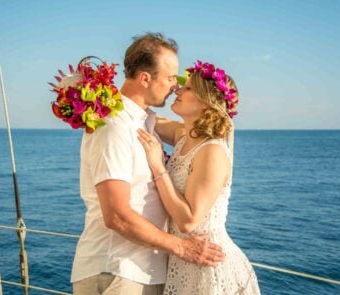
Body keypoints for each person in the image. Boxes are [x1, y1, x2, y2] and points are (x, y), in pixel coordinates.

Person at [71, 34, 224, 295]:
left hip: (141, 271)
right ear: (145, 78)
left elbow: (195, 135)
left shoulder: (144, 123)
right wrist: (182, 247)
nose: (175, 87)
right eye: (170, 78)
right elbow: (116, 215)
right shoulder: (115, 127)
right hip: (117, 271)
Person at [138, 61, 261, 294]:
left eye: (188, 88)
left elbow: (188, 221)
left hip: (208, 263)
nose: (177, 90)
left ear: (207, 102)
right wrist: (98, 95)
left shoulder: (212, 151)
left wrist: (157, 165)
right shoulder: (185, 135)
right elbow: (142, 117)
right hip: (183, 257)